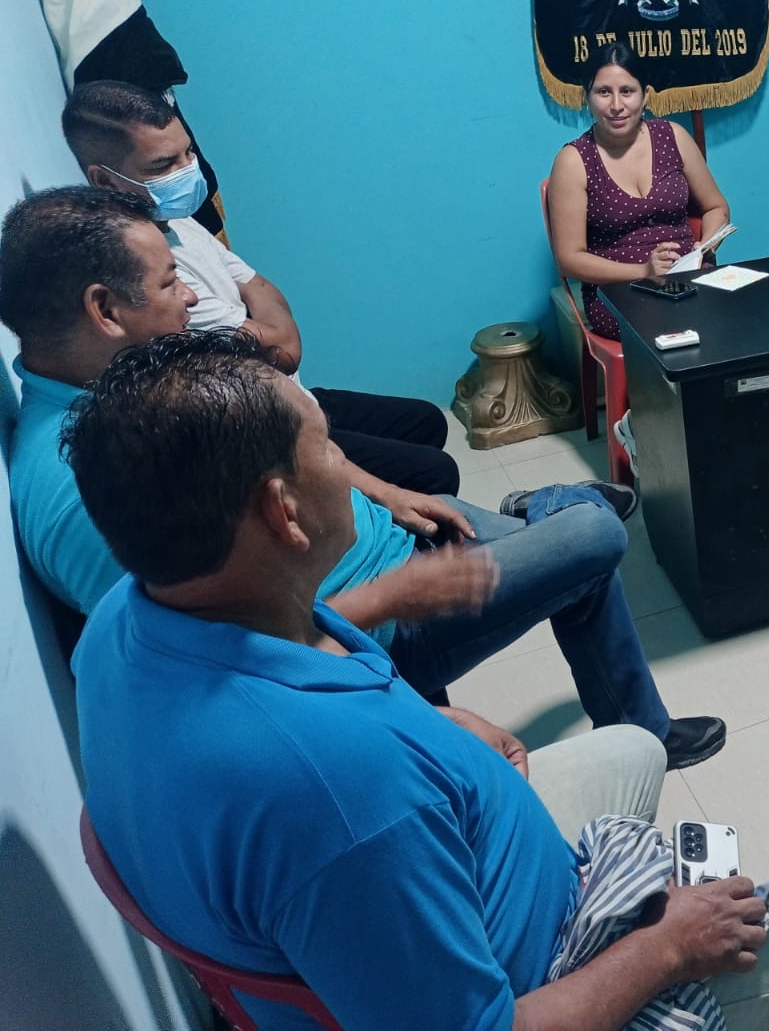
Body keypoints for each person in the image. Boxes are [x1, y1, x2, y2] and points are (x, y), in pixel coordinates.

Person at [67, 332, 769, 1031]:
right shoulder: (344, 796)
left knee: (633, 745)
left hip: (449, 854)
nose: (345, 462)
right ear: (282, 512)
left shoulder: (124, 620)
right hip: (533, 975)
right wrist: (667, 948)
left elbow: (302, 677)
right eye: (328, 445)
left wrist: (432, 728)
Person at [0, 188, 725, 768]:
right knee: (593, 533)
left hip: (393, 540)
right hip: (381, 613)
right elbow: (236, 667)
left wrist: (386, 492)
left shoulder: (133, 390)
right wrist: (395, 605)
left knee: (576, 563)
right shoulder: (85, 486)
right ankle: (555, 505)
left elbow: (296, 448)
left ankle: (640, 730)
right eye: (168, 282)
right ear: (104, 309)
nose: (190, 296)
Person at [62, 79, 461, 497]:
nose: (188, 171)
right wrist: (265, 318)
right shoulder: (148, 271)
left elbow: (263, 288)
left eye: (188, 153)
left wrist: (263, 317)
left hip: (292, 394)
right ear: (105, 181)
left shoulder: (176, 219)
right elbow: (284, 350)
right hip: (268, 424)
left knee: (427, 422)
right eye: (163, 166)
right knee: (434, 473)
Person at [548, 42, 731, 343]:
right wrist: (643, 270)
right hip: (619, 291)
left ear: (645, 95)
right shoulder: (574, 161)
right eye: (603, 92)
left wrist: (704, 247)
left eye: (627, 91)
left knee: (739, 308)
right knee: (680, 323)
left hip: (689, 276)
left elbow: (716, 207)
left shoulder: (674, 137)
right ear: (587, 98)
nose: (616, 105)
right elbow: (569, 259)